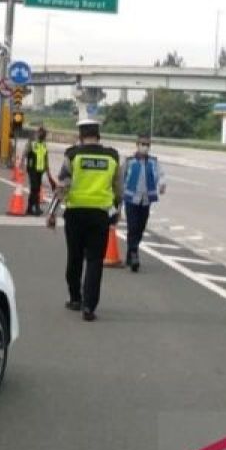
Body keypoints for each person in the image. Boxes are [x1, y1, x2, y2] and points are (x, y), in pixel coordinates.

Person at [46, 118, 123, 321]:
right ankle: (89, 306)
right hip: (100, 215)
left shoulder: (73, 155)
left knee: (75, 257)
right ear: (99, 135)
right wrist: (117, 211)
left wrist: (52, 213)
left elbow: (62, 186)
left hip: (76, 214)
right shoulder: (112, 156)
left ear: (80, 136)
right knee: (95, 261)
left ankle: (75, 298)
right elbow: (118, 189)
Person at [123, 134, 166, 272]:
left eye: (147, 145)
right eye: (142, 144)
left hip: (146, 201)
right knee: (132, 227)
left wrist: (162, 184)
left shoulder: (153, 162)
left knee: (140, 228)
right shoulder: (129, 161)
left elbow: (161, 175)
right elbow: (120, 177)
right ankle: (134, 254)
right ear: (137, 145)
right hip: (131, 200)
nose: (145, 147)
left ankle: (130, 253)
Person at [22, 126, 54, 216]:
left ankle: (29, 208)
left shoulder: (44, 144)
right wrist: (21, 165)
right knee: (35, 188)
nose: (44, 136)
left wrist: (48, 172)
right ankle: (36, 207)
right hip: (32, 169)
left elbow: (45, 158)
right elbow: (24, 153)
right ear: (38, 133)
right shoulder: (32, 143)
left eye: (45, 134)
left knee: (35, 189)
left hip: (40, 170)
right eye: (43, 134)